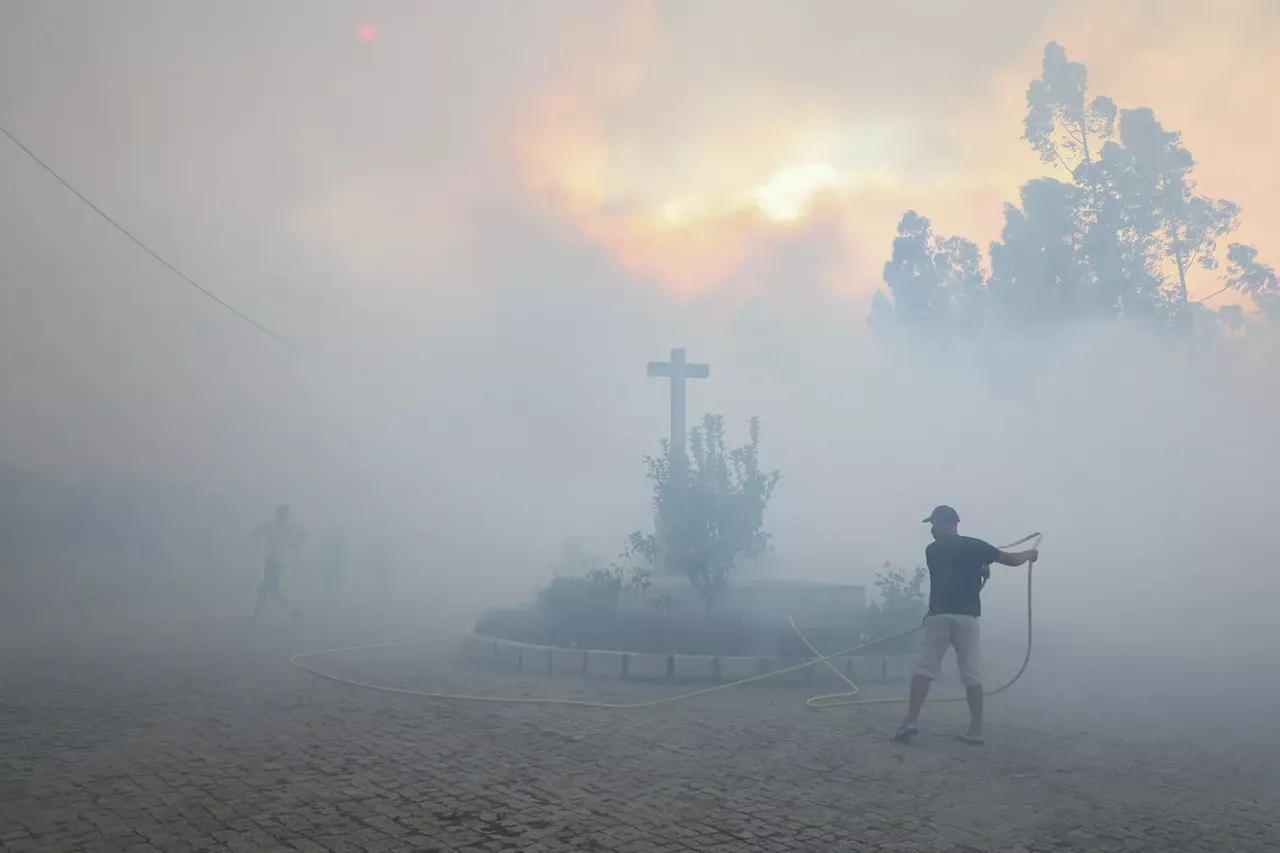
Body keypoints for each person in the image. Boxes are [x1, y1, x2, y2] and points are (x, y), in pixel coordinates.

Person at [894, 505, 1037, 746]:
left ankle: (911, 720)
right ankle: (975, 729)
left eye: (933, 524)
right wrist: (1028, 555)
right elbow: (1012, 560)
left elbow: (950, 570)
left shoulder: (933, 549)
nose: (931, 529)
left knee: (924, 667)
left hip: (939, 616)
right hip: (967, 617)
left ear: (942, 522)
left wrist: (980, 567)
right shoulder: (976, 546)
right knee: (971, 672)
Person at [247, 503, 308, 625]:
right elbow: (254, 533)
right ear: (276, 513)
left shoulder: (289, 528)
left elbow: (304, 536)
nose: (282, 515)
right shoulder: (269, 526)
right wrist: (257, 542)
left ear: (287, 515)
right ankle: (292, 611)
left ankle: (255, 617)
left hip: (281, 561)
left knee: (266, 587)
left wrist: (296, 545)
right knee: (272, 589)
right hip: (269, 560)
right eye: (280, 512)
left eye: (284, 513)